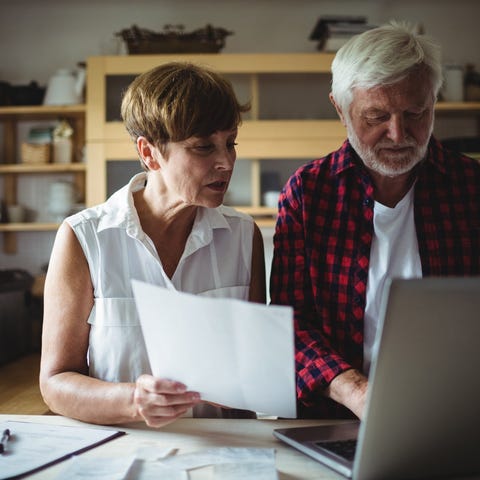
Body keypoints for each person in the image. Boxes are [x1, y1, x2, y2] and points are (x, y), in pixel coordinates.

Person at [270, 21, 480, 420]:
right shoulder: (309, 193)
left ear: (434, 101)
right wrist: (359, 393)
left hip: (454, 412)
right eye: (376, 116)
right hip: (333, 415)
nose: (399, 134)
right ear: (340, 108)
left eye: (416, 113)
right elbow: (288, 324)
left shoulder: (471, 189)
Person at [40, 62, 266, 427]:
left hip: (220, 452)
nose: (226, 162)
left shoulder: (243, 237)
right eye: (203, 147)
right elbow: (55, 383)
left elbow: (250, 383)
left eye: (230, 143)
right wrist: (132, 400)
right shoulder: (84, 238)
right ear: (149, 153)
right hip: (117, 451)